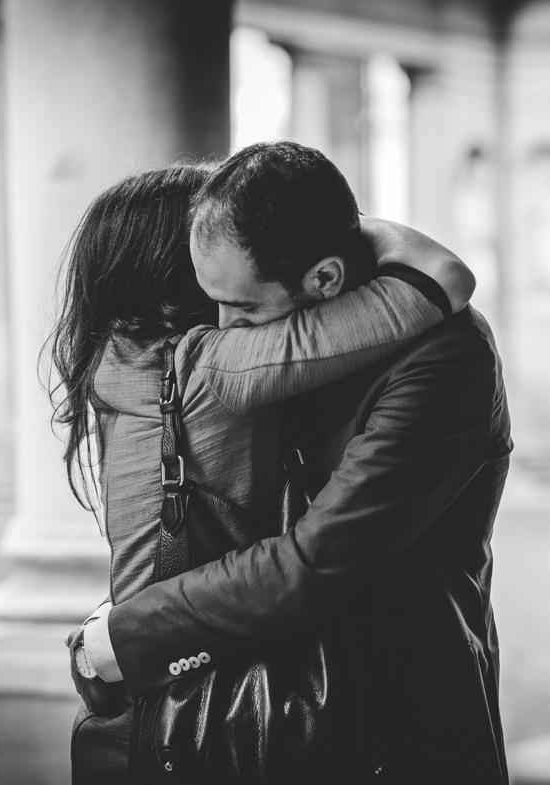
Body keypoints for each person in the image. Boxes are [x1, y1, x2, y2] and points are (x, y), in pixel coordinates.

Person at [48, 160, 476, 782]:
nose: (227, 317)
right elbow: (436, 283)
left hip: (172, 695)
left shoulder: (121, 365)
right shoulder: (216, 364)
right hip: (229, 709)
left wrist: (116, 639)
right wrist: (363, 233)